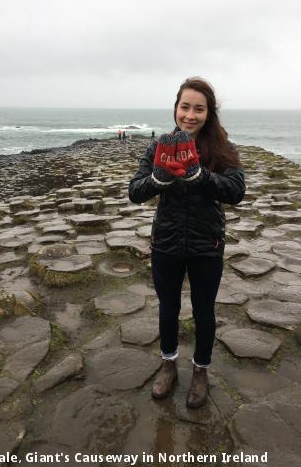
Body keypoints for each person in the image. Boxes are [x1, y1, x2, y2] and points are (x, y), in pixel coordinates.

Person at [128, 77, 245, 408]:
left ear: (209, 113)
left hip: (207, 244)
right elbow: (134, 191)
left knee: (204, 311)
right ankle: (168, 364)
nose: (190, 115)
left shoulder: (222, 148)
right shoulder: (158, 146)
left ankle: (200, 371)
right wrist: (157, 180)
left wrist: (200, 176)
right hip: (165, 242)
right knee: (168, 308)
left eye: (199, 108)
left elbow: (237, 191)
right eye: (185, 107)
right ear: (175, 108)